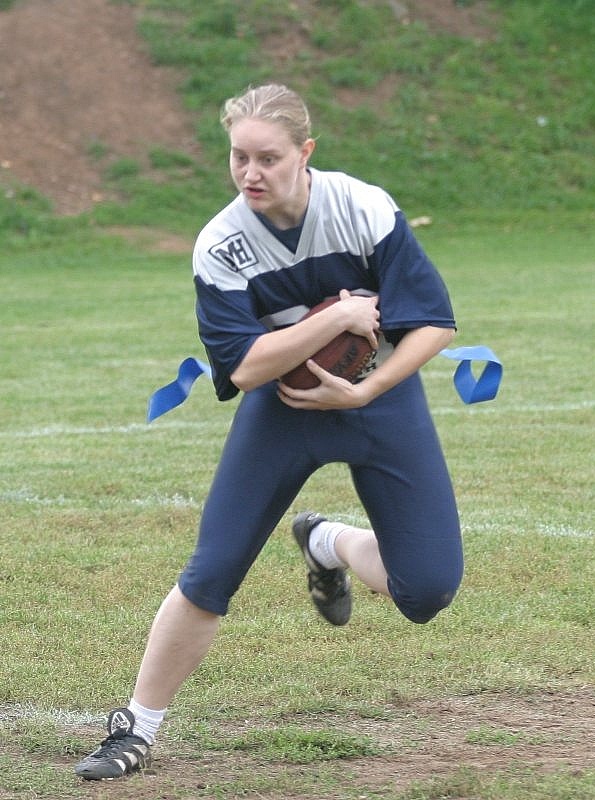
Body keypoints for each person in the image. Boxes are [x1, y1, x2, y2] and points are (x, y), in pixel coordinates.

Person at [74, 83, 463, 780]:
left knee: (427, 590)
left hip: (380, 399)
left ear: (305, 152)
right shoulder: (221, 245)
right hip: (282, 409)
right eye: (238, 157)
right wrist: (335, 318)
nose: (250, 173)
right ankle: (137, 726)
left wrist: (366, 388)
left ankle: (327, 541)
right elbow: (247, 367)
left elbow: (434, 321)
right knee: (212, 571)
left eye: (268, 158)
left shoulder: (362, 207)